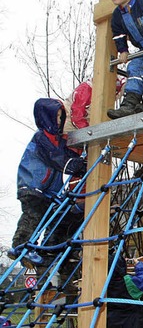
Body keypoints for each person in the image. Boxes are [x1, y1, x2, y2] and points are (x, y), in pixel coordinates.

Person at [8, 98, 86, 268]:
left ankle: (49, 249)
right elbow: (55, 158)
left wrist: (80, 159)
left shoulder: (58, 140)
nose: (59, 121)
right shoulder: (41, 138)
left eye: (61, 117)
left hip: (49, 192)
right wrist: (73, 165)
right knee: (34, 215)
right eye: (57, 117)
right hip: (33, 185)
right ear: (46, 117)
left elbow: (66, 153)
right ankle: (21, 245)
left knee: (57, 217)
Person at [107, 253, 143, 328]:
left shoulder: (104, 283)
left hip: (112, 320)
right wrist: (139, 265)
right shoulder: (127, 282)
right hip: (131, 321)